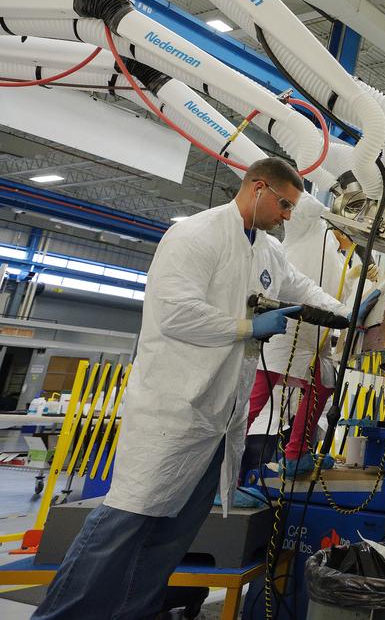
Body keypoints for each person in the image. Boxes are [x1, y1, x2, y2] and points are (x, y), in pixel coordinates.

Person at [34, 157, 351, 620]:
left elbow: (300, 287)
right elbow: (174, 313)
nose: (287, 215)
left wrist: (347, 309)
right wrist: (246, 326)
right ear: (257, 187)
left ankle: (136, 613)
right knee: (125, 523)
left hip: (218, 422)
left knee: (172, 539)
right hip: (174, 412)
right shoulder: (195, 234)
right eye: (284, 204)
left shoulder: (267, 250)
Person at [244, 193, 377, 478]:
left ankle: (297, 454)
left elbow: (337, 301)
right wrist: (338, 197)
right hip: (284, 330)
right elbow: (304, 204)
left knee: (324, 385)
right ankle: (221, 470)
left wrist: (361, 282)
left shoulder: (343, 259)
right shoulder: (310, 227)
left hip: (317, 337)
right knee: (252, 401)